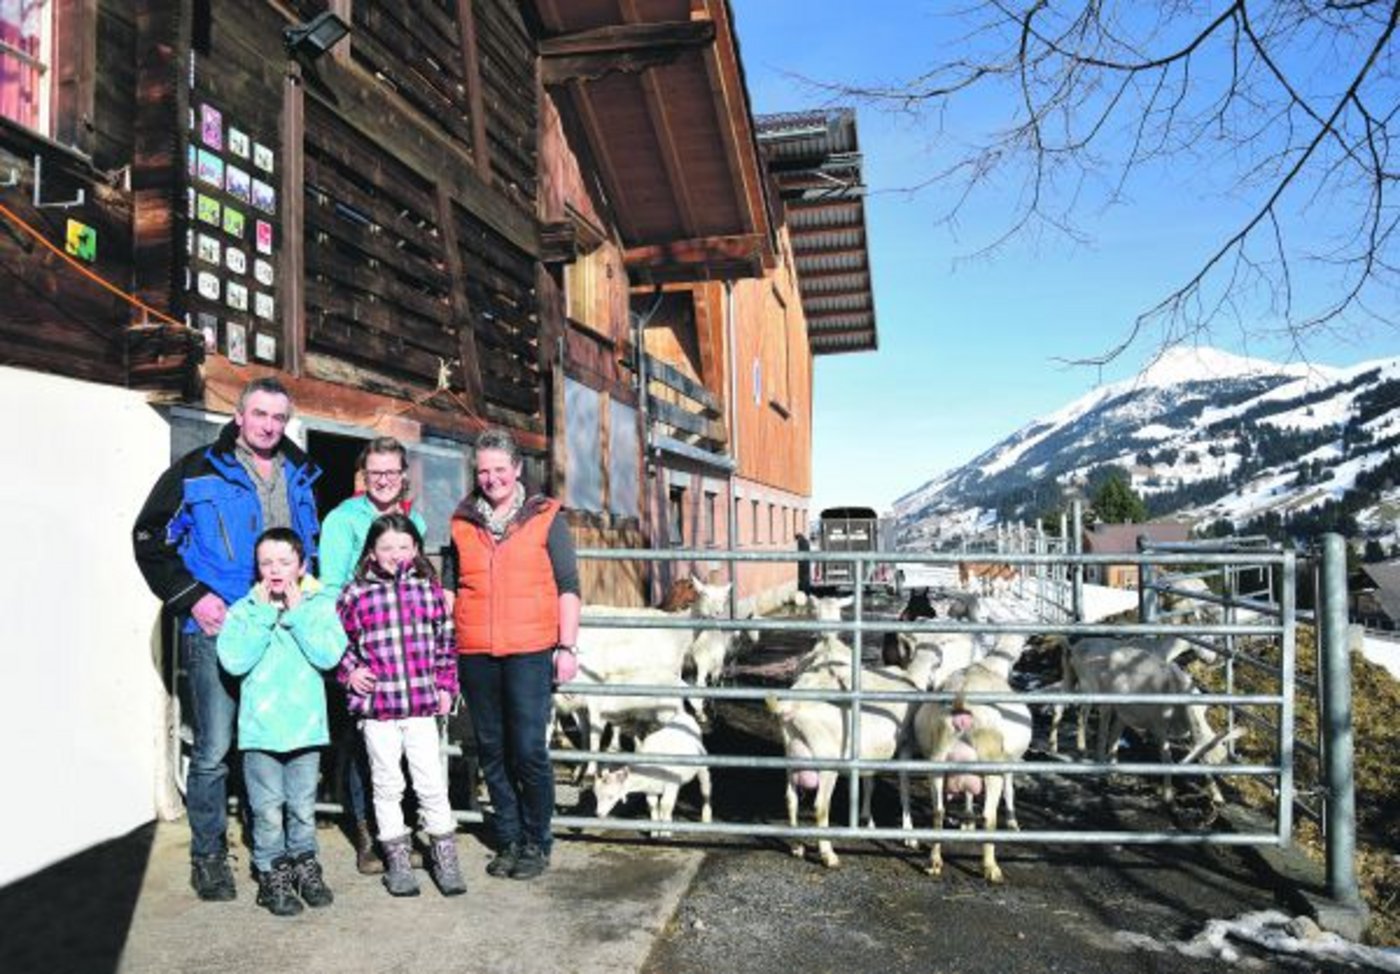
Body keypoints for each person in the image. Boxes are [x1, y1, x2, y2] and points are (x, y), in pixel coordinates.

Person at [132, 377, 321, 902]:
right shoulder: (195, 470)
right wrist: (192, 597)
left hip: (281, 634)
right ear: (239, 416)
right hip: (217, 628)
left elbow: (313, 550)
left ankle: (285, 852)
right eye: (259, 414)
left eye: (279, 418)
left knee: (275, 742)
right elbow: (150, 538)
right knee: (214, 748)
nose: (268, 426)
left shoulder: (302, 474)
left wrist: (310, 606)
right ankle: (209, 856)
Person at [449, 427, 580, 880]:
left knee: (527, 749)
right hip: (477, 652)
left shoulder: (546, 517)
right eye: (483, 471)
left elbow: (568, 587)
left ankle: (536, 839)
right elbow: (451, 590)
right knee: (492, 749)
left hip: (529, 650)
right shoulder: (462, 521)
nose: (491, 478)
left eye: (500, 469)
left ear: (517, 469)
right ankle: (507, 838)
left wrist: (567, 645)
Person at [216, 528, 346, 917]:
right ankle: (272, 872)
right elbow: (234, 661)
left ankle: (305, 865)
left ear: (302, 565)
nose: (275, 570)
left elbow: (329, 656)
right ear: (256, 568)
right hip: (261, 730)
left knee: (303, 807)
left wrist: (298, 614)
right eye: (266, 563)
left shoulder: (319, 606)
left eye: (285, 562)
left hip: (305, 728)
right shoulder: (244, 610)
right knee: (267, 809)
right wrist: (264, 616)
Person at [336, 514, 464, 898]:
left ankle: (446, 859)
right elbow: (338, 643)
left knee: (430, 783)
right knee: (387, 784)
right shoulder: (355, 594)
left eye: (404, 547)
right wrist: (351, 672)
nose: (395, 555)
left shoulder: (429, 591)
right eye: (386, 547)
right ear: (372, 552)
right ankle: (397, 861)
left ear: (416, 550)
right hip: (379, 708)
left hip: (421, 706)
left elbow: (445, 642)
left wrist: (445, 685)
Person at [318, 437, 427, 874]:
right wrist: (349, 660)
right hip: (364, 650)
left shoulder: (411, 518)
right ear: (364, 476)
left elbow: (417, 581)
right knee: (364, 746)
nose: (384, 480)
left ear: (403, 476)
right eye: (375, 472)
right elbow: (332, 590)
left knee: (401, 749)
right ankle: (368, 835)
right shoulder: (343, 520)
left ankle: (397, 831)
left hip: (403, 651)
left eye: (392, 472)